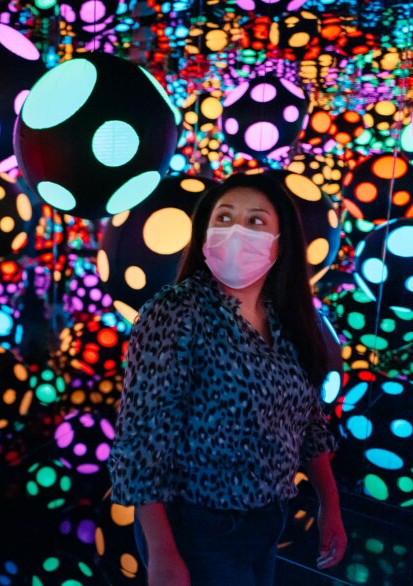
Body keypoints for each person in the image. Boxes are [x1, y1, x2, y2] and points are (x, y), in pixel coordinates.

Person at [108, 172, 346, 586]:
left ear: (280, 240)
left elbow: (309, 422)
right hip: (196, 528)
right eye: (224, 218)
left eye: (255, 221)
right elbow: (139, 441)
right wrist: (163, 553)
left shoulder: (288, 317)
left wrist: (331, 503)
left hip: (268, 519)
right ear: (204, 233)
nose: (237, 231)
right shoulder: (177, 312)